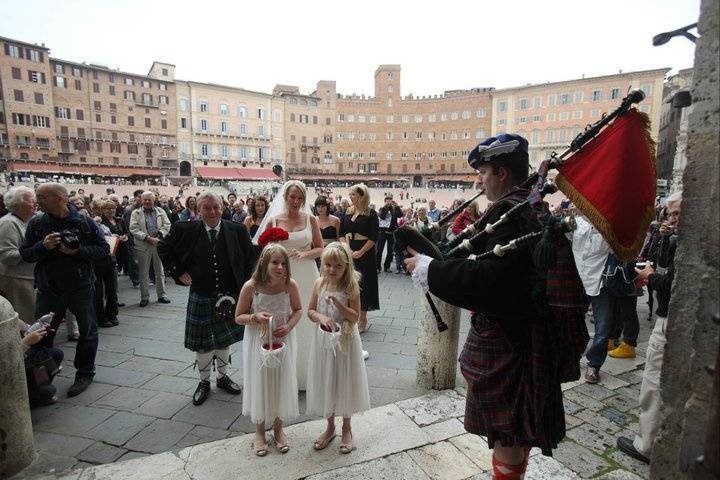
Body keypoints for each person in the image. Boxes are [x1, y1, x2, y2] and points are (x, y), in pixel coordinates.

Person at [404, 135, 567, 479]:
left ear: (503, 173)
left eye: (483, 172)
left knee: (508, 431)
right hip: (519, 332)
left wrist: (429, 269)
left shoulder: (515, 212)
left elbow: (489, 278)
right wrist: (439, 259)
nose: (480, 180)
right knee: (513, 429)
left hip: (510, 338)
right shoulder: (522, 206)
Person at [158, 191, 253, 405]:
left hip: (229, 294)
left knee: (224, 340)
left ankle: (222, 377)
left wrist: (247, 288)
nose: (212, 212)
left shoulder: (237, 230)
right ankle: (203, 381)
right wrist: (178, 272)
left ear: (222, 208)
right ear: (198, 210)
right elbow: (163, 248)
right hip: (201, 293)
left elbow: (249, 260)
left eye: (215, 207)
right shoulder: (184, 228)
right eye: (206, 208)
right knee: (203, 344)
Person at [20, 183, 109, 397]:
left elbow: (103, 249)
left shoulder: (84, 222)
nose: (37, 201)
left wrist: (76, 251)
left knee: (88, 332)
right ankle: (42, 377)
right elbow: (26, 253)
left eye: (42, 197)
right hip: (49, 289)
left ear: (59, 198)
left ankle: (85, 373)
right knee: (42, 334)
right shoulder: (38, 223)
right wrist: (43, 246)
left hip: (81, 287)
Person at [616, 191, 682, 465]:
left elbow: (673, 286)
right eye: (671, 214)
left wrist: (650, 276)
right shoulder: (683, 239)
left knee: (654, 382)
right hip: (675, 321)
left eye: (678, 213)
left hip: (670, 322)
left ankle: (645, 445)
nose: (673, 219)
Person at [252, 181, 323, 390]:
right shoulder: (273, 220)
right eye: (292, 197)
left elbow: (320, 248)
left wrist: (305, 254)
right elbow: (264, 251)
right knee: (285, 316)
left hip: (307, 272)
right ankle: (285, 372)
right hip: (281, 276)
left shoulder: (310, 219)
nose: (296, 201)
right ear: (285, 197)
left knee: (307, 320)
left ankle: (308, 373)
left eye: (300, 198)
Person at [234, 243, 302, 456]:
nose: (280, 267)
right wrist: (255, 317)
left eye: (283, 263)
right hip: (259, 340)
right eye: (275, 262)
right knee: (261, 382)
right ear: (264, 262)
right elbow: (238, 317)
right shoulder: (251, 286)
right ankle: (260, 431)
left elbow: (299, 309)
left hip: (283, 339)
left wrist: (289, 325)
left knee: (281, 381)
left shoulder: (289, 285)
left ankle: (279, 429)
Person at [307, 242, 370, 454]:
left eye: (337, 266)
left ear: (346, 267)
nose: (332, 270)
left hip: (345, 341)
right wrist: (321, 316)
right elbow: (310, 312)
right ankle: (330, 426)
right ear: (322, 264)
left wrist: (338, 304)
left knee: (344, 380)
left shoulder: (350, 286)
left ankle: (347, 427)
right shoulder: (319, 283)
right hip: (324, 340)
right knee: (328, 380)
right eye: (328, 265)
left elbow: (354, 317)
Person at [569, 215, 612, 384]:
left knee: (602, 329)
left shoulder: (609, 227)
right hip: (577, 281)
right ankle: (573, 355)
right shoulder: (576, 223)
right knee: (572, 322)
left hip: (600, 283)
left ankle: (594, 365)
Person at [340, 183, 379, 335]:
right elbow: (342, 232)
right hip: (349, 252)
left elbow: (374, 237)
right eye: (350, 194)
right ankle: (349, 315)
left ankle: (362, 319)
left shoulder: (371, 214)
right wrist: (346, 247)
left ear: (362, 196)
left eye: (353, 194)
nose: (350, 197)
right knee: (348, 284)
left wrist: (361, 251)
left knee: (364, 285)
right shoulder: (347, 212)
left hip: (366, 254)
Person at [0, 186, 37, 322]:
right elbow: (7, 256)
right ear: (17, 204)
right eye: (31, 201)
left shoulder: (24, 221)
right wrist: (35, 250)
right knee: (22, 320)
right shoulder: (8, 223)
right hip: (15, 280)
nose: (35, 203)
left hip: (25, 278)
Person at [129, 191, 171, 307]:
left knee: (160, 271)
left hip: (158, 243)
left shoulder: (161, 211)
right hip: (143, 245)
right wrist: (147, 238)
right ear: (141, 200)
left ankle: (162, 295)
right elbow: (133, 228)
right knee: (143, 273)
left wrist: (159, 235)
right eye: (145, 199)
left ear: (154, 200)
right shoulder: (135, 213)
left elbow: (167, 225)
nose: (147, 201)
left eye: (149, 199)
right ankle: (144, 297)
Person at [376, 195, 403, 273]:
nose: (388, 202)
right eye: (387, 201)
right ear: (385, 202)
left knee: (390, 251)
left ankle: (387, 267)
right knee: (379, 250)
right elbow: (381, 216)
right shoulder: (382, 209)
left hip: (391, 233)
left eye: (390, 201)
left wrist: (397, 206)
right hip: (382, 233)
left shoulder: (394, 209)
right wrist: (385, 207)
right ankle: (378, 267)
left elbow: (400, 215)